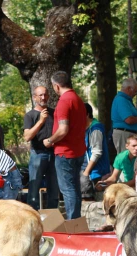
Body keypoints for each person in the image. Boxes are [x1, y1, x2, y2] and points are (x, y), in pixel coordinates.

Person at [42, 71, 86, 220]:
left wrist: (50, 141)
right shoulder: (78, 99)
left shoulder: (64, 101)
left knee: (68, 190)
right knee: (74, 189)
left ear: (56, 86)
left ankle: (73, 226)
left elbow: (63, 129)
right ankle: (77, 223)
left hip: (65, 152)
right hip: (78, 150)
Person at [23, 86, 59, 210]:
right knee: (33, 191)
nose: (43, 97)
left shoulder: (54, 113)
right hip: (37, 155)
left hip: (54, 155)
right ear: (34, 97)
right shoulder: (30, 115)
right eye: (40, 95)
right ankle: (33, 216)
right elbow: (27, 137)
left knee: (54, 190)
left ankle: (52, 220)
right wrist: (40, 121)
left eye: (45, 95)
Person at [111, 78, 137, 153]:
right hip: (125, 135)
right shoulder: (121, 100)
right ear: (129, 88)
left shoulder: (126, 100)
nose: (135, 94)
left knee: (133, 162)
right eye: (135, 91)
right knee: (126, 161)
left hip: (128, 134)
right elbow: (129, 120)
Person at [81, 103, 110, 200]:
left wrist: (86, 172)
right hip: (88, 171)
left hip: (96, 172)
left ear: (87, 114)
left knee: (94, 202)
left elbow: (97, 152)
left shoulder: (95, 129)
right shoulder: (85, 129)